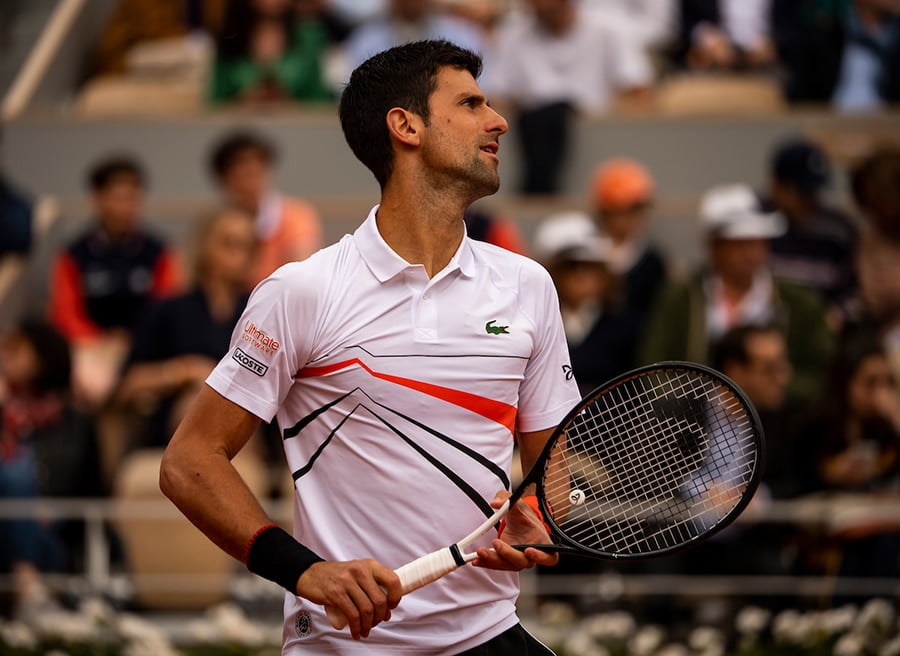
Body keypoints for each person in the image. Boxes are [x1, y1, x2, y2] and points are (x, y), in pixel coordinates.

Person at [161, 39, 580, 654]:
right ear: (405, 126)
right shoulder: (301, 291)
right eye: (470, 103)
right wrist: (305, 571)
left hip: (487, 635)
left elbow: (554, 467)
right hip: (341, 645)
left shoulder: (529, 286)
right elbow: (189, 463)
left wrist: (538, 515)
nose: (499, 121)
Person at [639, 182, 833, 405]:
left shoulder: (800, 303)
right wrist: (703, 398)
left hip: (778, 428)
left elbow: (820, 372)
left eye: (757, 242)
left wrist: (772, 389)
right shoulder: (680, 297)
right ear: (713, 247)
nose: (750, 253)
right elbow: (653, 369)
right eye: (738, 244)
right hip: (693, 428)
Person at [112, 207, 257, 457]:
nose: (238, 255)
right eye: (228, 243)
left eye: (246, 246)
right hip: (177, 424)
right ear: (205, 247)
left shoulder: (260, 310)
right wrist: (185, 370)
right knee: (196, 400)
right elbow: (129, 384)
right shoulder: (169, 310)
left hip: (248, 426)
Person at [47, 156, 181, 408]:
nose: (124, 207)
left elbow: (167, 305)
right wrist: (100, 340)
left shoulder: (158, 251)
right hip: (91, 348)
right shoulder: (74, 254)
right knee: (92, 382)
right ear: (98, 199)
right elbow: (64, 314)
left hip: (143, 347)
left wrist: (134, 339)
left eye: (132, 198)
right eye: (117, 198)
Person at [482, 0, 654, 194]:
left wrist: (609, 117)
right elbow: (496, 96)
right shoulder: (512, 33)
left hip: (594, 136)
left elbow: (639, 89)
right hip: (529, 130)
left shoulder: (607, 28)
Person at [0, 319, 103, 620]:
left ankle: (28, 584)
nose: (5, 354)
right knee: (13, 475)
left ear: (43, 357)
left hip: (53, 539)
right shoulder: (3, 414)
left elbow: (94, 493)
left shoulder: (76, 424)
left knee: (13, 473)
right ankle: (29, 587)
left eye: (16, 348)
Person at [532, 211, 636, 394]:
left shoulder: (626, 326)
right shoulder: (536, 324)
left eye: (590, 265)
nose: (582, 275)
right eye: (571, 266)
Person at [764, 137, 858, 333]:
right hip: (764, 329)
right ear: (776, 185)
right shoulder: (756, 224)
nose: (812, 200)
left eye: (815, 191)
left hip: (825, 332)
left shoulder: (838, 229)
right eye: (803, 192)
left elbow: (855, 291)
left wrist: (839, 314)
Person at [208, 130, 322, 286]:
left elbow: (302, 275)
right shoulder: (215, 225)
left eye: (255, 174)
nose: (250, 185)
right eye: (242, 177)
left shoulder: (297, 216)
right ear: (224, 182)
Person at [589, 158, 668, 325]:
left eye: (634, 210)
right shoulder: (585, 257)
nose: (626, 220)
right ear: (603, 212)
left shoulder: (653, 263)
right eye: (618, 211)